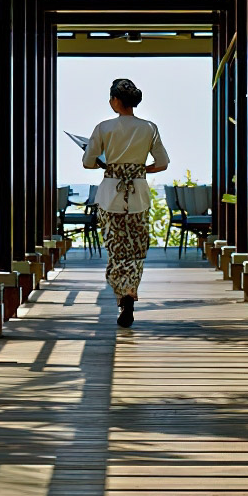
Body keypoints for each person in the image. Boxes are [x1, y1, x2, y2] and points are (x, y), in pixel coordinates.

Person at [81, 78, 170, 328]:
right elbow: (162, 163)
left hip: (110, 195)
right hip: (138, 195)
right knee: (136, 248)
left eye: (111, 98)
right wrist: (139, 170)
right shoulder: (149, 128)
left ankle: (122, 295)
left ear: (116, 101)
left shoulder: (104, 128)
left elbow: (88, 162)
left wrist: (106, 164)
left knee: (116, 248)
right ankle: (130, 291)